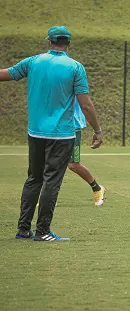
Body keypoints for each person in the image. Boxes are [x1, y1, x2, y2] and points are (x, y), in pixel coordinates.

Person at [0, 26, 103, 241]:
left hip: (35, 132)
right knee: (51, 182)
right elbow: (86, 105)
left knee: (33, 179)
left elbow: (5, 75)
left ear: (49, 41)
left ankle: (23, 229)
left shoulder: (33, 62)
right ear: (68, 44)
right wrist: (97, 130)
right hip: (62, 135)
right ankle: (43, 231)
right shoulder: (75, 67)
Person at [68, 101, 106, 206]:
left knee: (73, 165)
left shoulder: (72, 84)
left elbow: (86, 104)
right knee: (51, 163)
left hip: (72, 126)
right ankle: (48, 197)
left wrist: (97, 130)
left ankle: (97, 188)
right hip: (54, 126)